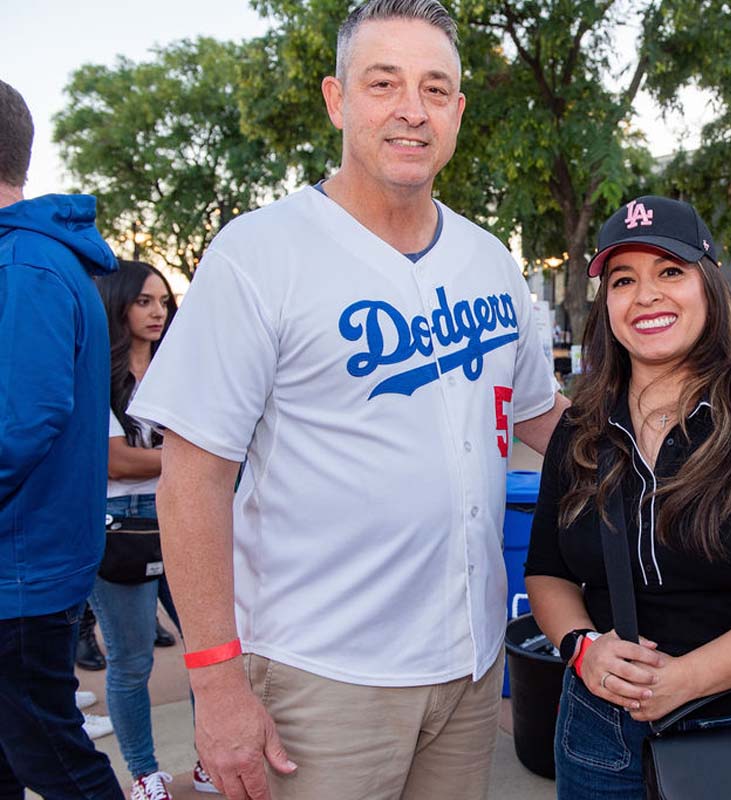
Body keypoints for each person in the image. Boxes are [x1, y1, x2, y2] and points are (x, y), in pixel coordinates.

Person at [128, 2, 566, 798]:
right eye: (383, 83)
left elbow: (545, 417)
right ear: (336, 99)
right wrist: (219, 686)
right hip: (322, 676)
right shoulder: (259, 254)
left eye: (436, 89)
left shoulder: (488, 260)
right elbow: (190, 482)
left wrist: (695, 445)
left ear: (458, 112)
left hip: (469, 669)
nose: (411, 109)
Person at [524, 195, 731, 799]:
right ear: (608, 306)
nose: (646, 295)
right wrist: (582, 649)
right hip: (598, 731)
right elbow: (547, 573)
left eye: (669, 272)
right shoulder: (581, 429)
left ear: (707, 286)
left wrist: (686, 679)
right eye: (624, 280)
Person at [0, 78, 125, 799]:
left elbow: (19, 426)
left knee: (59, 766)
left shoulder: (23, 265)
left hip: (18, 575)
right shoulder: (30, 260)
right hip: (25, 566)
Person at [92, 260, 213, 798]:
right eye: (144, 301)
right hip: (119, 527)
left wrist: (184, 458)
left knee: (206, 647)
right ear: (119, 304)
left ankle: (210, 758)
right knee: (132, 658)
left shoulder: (178, 367)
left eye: (163, 300)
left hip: (182, 512)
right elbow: (115, 462)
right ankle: (144, 774)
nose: (157, 311)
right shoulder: (93, 372)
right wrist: (190, 455)